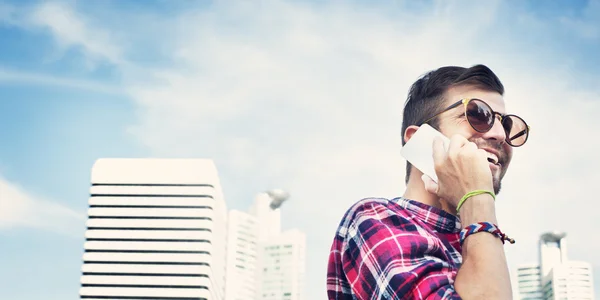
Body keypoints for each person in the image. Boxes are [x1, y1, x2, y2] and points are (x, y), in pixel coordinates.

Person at [326, 64, 530, 299]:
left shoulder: (475, 240)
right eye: (478, 114)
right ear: (418, 140)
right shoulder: (374, 218)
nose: (500, 135)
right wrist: (478, 200)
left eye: (506, 124)